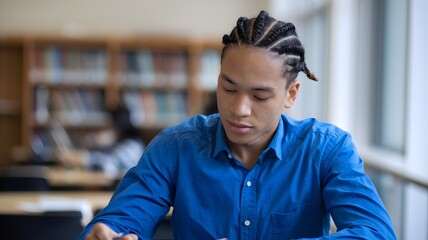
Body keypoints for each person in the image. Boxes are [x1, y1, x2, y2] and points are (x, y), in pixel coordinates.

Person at [79, 10, 396, 239]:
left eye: (259, 96)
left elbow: (376, 233)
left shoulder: (327, 150)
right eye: (228, 88)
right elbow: (119, 220)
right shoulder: (175, 147)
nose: (239, 109)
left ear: (291, 94)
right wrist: (106, 234)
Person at [57, 104, 145, 179]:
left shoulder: (133, 147)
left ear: (117, 127)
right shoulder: (124, 143)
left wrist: (81, 158)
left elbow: (109, 166)